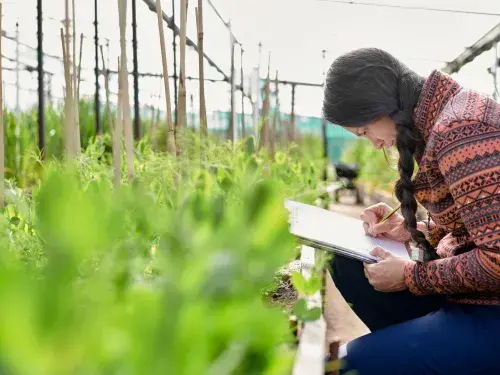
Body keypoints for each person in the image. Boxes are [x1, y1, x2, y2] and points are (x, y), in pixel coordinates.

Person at [322, 48, 500, 374]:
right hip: (475, 296)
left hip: (491, 310)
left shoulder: (461, 129)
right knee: (346, 259)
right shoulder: (438, 119)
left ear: (382, 106)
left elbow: (497, 259)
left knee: (352, 364)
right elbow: (478, 228)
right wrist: (415, 228)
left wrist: (410, 275)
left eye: (364, 132)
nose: (374, 144)